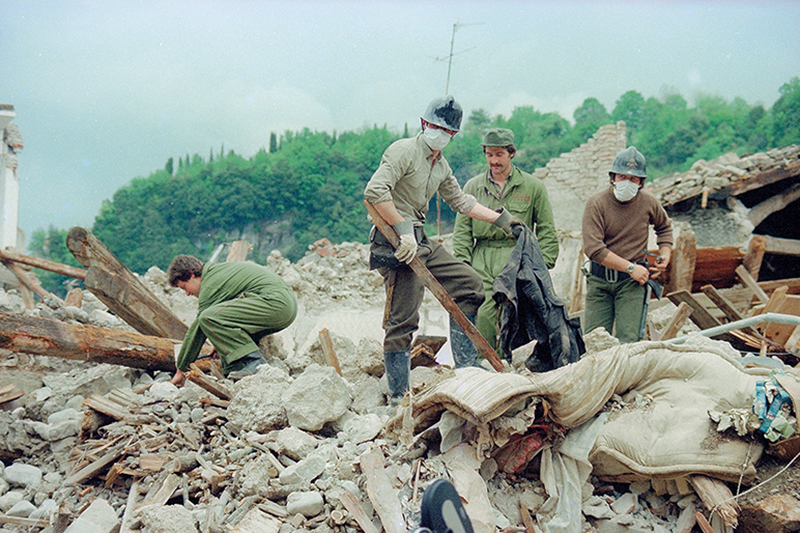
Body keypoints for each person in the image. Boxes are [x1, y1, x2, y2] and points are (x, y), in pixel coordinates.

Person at [364, 95, 525, 403]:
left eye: (446, 130)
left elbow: (461, 201)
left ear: (453, 135)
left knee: (469, 285)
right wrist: (402, 229)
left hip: (419, 238)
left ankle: (466, 367)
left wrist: (502, 219)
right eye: (434, 126)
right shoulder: (404, 151)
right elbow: (375, 191)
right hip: (394, 239)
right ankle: (399, 396)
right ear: (424, 124)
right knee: (404, 315)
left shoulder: (441, 165)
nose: (439, 133)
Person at [453, 128, 559, 352]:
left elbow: (547, 229)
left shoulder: (533, 187)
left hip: (518, 258)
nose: (494, 160)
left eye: (499, 154)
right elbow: (462, 231)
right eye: (489, 155)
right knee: (483, 314)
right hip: (482, 257)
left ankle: (514, 364)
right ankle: (484, 363)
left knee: (518, 316)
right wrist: (464, 266)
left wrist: (543, 264)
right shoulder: (473, 187)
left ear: (511, 153)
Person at [581, 146, 673, 344]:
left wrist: (665, 252)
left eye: (633, 179)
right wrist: (630, 268)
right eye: (622, 177)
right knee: (594, 342)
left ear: (641, 183)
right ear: (613, 178)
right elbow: (594, 249)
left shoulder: (649, 202)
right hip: (600, 281)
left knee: (629, 341)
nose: (627, 182)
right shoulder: (596, 203)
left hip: (631, 284)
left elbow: (664, 227)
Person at [167, 254, 297, 385]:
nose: (187, 294)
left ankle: (255, 362)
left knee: (208, 317)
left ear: (191, 274)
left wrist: (181, 369)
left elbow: (198, 329)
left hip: (276, 304)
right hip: (286, 306)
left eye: (184, 287)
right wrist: (221, 341)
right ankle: (234, 375)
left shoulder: (210, 284)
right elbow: (230, 317)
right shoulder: (218, 273)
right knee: (216, 324)